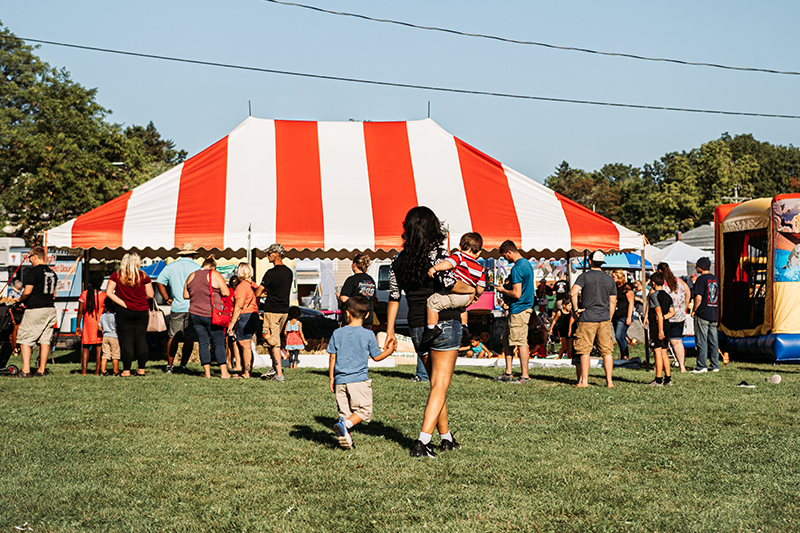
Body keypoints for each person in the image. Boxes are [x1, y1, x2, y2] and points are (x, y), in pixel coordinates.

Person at [385, 206, 463, 457]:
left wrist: (389, 331)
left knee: (435, 385)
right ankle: (422, 441)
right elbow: (450, 284)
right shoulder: (438, 253)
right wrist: (475, 288)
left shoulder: (397, 260)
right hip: (444, 321)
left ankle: (446, 437)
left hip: (416, 324)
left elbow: (394, 297)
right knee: (440, 385)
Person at [329, 296, 397, 449]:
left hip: (340, 380)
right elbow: (377, 357)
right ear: (367, 315)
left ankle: (347, 441)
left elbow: (333, 357)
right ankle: (345, 425)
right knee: (364, 410)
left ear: (347, 313)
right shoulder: (367, 334)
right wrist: (390, 350)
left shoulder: (337, 333)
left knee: (345, 412)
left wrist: (332, 377)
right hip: (358, 380)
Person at [422, 232, 486, 348]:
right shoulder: (480, 268)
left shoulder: (459, 256)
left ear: (460, 247)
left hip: (455, 293)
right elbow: (481, 286)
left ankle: (432, 329)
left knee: (432, 302)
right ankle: (464, 325)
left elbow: (448, 264)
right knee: (462, 309)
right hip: (466, 297)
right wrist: (476, 295)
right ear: (479, 253)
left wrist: (435, 268)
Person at [570, 250, 617, 388]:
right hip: (604, 318)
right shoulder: (609, 279)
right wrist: (609, 317)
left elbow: (573, 292)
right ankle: (609, 382)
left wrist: (575, 309)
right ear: (602, 263)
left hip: (587, 318)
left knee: (585, 350)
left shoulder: (584, 276)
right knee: (607, 351)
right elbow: (613, 302)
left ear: (590, 261)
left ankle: (584, 381)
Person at [106, 252, 155, 377]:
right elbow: (150, 295)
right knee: (141, 339)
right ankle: (141, 369)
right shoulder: (143, 276)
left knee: (126, 340)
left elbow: (109, 293)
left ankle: (126, 370)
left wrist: (122, 303)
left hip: (124, 311)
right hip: (142, 310)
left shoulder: (116, 275)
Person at [155, 243, 201, 374]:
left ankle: (169, 365)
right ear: (193, 255)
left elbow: (160, 281)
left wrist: (167, 297)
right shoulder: (197, 267)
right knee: (190, 338)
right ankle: (183, 366)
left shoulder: (171, 267)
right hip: (192, 306)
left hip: (177, 306)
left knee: (173, 336)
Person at [12, 246, 57, 378]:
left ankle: (26, 370)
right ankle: (41, 370)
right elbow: (53, 293)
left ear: (36, 256)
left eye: (30, 257)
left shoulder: (33, 272)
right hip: (50, 309)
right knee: (45, 340)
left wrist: (19, 299)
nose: (29, 260)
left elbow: (27, 291)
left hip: (35, 309)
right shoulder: (52, 273)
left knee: (25, 339)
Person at [493, 240, 535, 384]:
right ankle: (508, 373)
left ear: (509, 252)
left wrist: (503, 290)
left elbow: (516, 293)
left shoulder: (517, 268)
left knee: (520, 341)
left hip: (519, 309)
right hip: (520, 308)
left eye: (505, 256)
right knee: (506, 340)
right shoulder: (527, 264)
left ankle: (525, 376)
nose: (505, 259)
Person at [184, 256, 231, 379]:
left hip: (195, 313)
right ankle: (224, 373)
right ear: (213, 267)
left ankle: (207, 373)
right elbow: (226, 292)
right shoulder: (214, 274)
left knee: (203, 343)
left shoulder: (192, 275)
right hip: (212, 314)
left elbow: (185, 295)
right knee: (218, 342)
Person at [255, 243, 293, 382]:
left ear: (276, 254)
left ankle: (278, 374)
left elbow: (258, 292)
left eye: (269, 253)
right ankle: (274, 368)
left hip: (272, 310)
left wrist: (266, 293)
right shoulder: (289, 272)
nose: (267, 256)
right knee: (274, 340)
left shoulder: (271, 273)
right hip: (284, 310)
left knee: (272, 341)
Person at [227, 262, 259, 378]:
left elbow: (238, 306)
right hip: (254, 315)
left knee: (244, 346)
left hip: (245, 316)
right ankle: (247, 370)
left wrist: (232, 323)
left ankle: (246, 372)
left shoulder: (241, 287)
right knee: (247, 345)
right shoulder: (254, 285)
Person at [658, 262, 691, 373]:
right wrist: (684, 307)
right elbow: (688, 292)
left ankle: (658, 366)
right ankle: (682, 367)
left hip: (666, 316)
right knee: (677, 342)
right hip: (680, 316)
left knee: (662, 343)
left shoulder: (661, 284)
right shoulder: (679, 281)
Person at [645, 272, 675, 386]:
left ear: (653, 283)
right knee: (664, 352)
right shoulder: (668, 296)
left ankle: (658, 379)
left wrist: (660, 329)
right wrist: (663, 318)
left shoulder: (653, 296)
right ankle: (668, 379)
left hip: (658, 327)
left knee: (657, 352)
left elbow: (658, 313)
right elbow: (672, 313)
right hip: (667, 325)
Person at [691, 257, 720, 373]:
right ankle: (715, 365)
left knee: (701, 340)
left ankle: (701, 365)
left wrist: (694, 310)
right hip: (713, 313)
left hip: (702, 313)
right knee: (713, 340)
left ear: (700, 267)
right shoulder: (715, 279)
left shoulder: (701, 279)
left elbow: (698, 297)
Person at [76, 271, 106, 376]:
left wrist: (77, 325)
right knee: (99, 348)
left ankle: (84, 371)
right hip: (99, 324)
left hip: (87, 323)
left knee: (85, 347)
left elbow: (80, 311)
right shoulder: (104, 295)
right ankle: (97, 371)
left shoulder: (84, 294)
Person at [339, 253, 377, 328]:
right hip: (367, 317)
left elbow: (344, 298)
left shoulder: (351, 280)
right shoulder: (371, 280)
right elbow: (374, 299)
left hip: (353, 319)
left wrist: (339, 297)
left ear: (354, 264)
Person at [611, 269, 635, 360]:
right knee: (619, 337)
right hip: (616, 315)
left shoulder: (626, 287)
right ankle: (623, 355)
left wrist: (629, 317)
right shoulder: (614, 287)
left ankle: (625, 355)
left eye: (614, 276)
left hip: (624, 315)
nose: (612, 278)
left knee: (619, 335)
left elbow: (631, 302)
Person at [98, 299, 120, 376]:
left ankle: (103, 371)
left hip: (105, 336)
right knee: (115, 354)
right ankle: (115, 371)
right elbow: (116, 327)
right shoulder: (114, 316)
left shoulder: (102, 316)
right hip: (113, 336)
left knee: (105, 354)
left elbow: (100, 328)